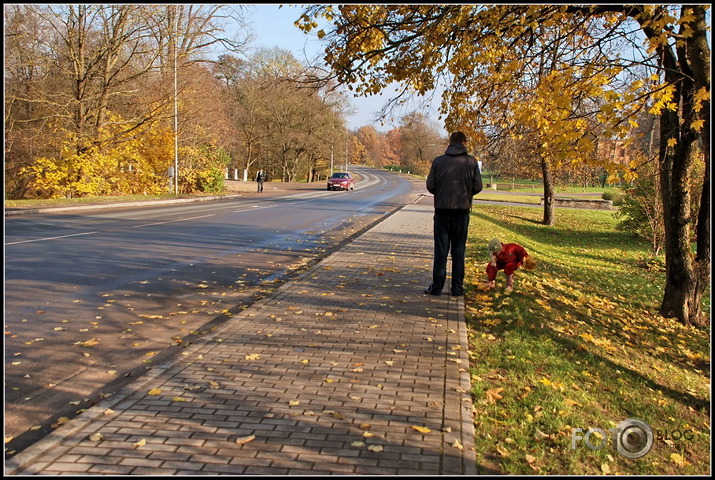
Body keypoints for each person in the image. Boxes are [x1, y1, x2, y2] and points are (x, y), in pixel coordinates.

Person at [424, 131, 483, 296]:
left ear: (450, 143)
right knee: (458, 251)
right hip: (461, 212)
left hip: (442, 211)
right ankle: (457, 288)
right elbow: (478, 186)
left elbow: (431, 186)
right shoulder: (471, 162)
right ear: (464, 142)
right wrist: (465, 192)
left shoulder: (438, 161)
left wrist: (442, 192)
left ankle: (437, 287)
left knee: (441, 251)